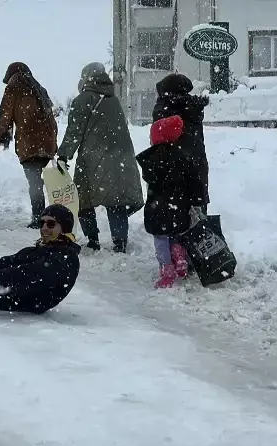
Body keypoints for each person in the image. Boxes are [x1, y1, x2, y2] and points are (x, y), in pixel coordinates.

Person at [57, 62, 144, 253]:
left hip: (92, 159)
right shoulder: (113, 99)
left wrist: (63, 154)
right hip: (121, 158)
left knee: (83, 199)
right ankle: (120, 243)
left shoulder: (82, 100)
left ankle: (93, 240)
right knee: (116, 201)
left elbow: (74, 132)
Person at [136, 115, 205, 289]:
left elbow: (149, 178)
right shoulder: (185, 157)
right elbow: (195, 182)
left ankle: (167, 269)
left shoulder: (151, 159)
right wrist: (197, 200)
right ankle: (179, 256)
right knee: (176, 233)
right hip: (179, 207)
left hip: (157, 208)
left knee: (160, 238)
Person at [0, 62, 58, 228]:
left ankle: (38, 218)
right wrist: (52, 143)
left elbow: (5, 116)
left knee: (35, 183)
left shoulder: (14, 87)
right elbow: (52, 119)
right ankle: (52, 217)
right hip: (47, 144)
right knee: (49, 183)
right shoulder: (39, 88)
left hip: (29, 144)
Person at [152, 73, 210, 213]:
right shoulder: (194, 106)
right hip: (196, 161)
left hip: (171, 161)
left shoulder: (164, 107)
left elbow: (157, 133)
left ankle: (179, 229)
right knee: (197, 201)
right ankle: (198, 227)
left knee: (173, 205)